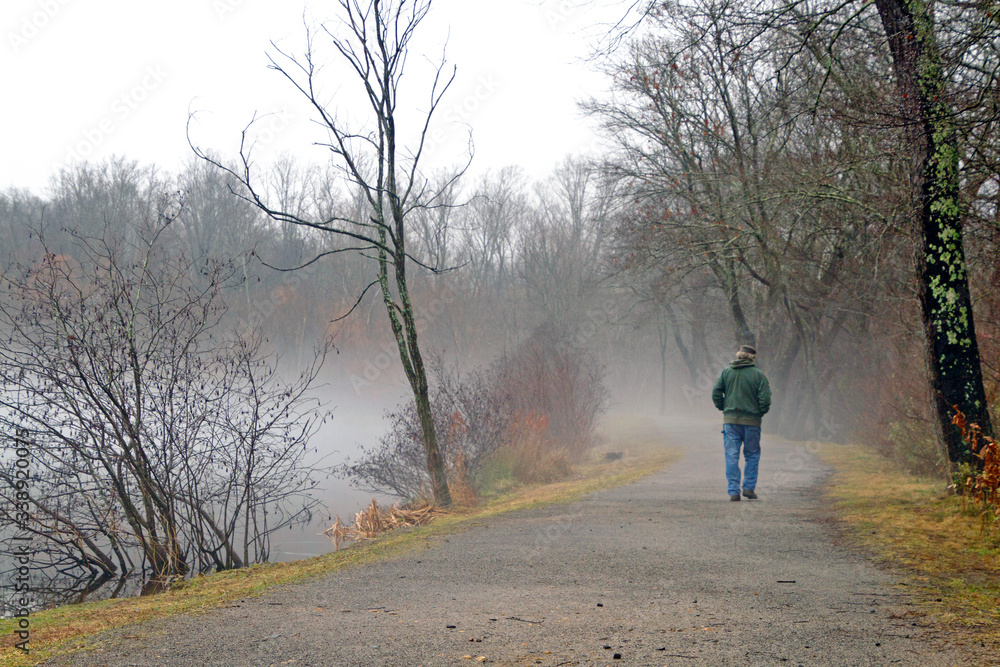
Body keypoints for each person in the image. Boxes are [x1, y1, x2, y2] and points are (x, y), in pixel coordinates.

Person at [711, 344, 772, 501]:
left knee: (731, 455)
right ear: (753, 358)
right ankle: (749, 488)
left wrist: (723, 407)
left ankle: (733, 491)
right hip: (752, 422)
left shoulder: (726, 372)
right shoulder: (758, 375)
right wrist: (760, 412)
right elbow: (765, 398)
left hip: (730, 421)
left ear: (739, 355)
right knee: (752, 455)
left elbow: (716, 391)